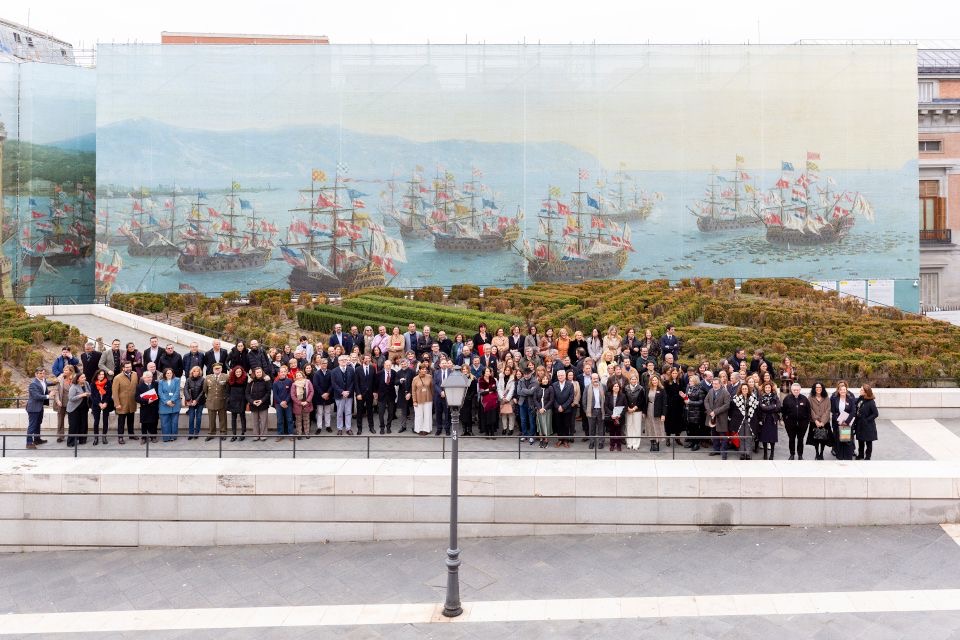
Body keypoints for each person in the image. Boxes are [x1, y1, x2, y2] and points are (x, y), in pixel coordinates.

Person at [781, 382, 811, 460]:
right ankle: (792, 454)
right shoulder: (787, 399)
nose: (796, 391)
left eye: (797, 390)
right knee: (791, 439)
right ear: (791, 390)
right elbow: (783, 411)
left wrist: (806, 422)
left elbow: (808, 411)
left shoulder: (804, 399)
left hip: (802, 423)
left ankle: (800, 455)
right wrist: (785, 421)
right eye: (794, 390)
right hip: (790, 423)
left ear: (800, 390)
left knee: (800, 440)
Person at [703, 377, 731, 459]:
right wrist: (709, 411)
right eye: (713, 384)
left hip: (721, 417)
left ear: (720, 384)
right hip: (711, 417)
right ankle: (716, 450)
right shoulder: (711, 391)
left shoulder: (725, 393)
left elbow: (726, 405)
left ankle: (724, 452)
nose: (714, 385)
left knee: (723, 435)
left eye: (716, 384)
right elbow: (706, 401)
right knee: (714, 434)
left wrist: (715, 412)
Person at [730, 382, 758, 460]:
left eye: (746, 388)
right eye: (743, 389)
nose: (744, 390)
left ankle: (748, 453)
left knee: (748, 437)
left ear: (748, 389)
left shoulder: (753, 397)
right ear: (740, 390)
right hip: (740, 421)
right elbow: (733, 410)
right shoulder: (736, 398)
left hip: (750, 420)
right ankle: (742, 454)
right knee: (742, 437)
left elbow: (756, 410)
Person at [112, 361, 138, 444]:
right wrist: (117, 404)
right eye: (127, 367)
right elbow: (115, 392)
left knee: (131, 420)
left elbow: (136, 387)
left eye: (130, 366)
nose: (129, 368)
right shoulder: (117, 378)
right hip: (122, 404)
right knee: (121, 422)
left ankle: (131, 434)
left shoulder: (135, 374)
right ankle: (120, 437)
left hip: (132, 402)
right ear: (123, 368)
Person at [831, 380, 858, 460]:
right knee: (839, 439)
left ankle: (847, 456)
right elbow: (833, 411)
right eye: (841, 389)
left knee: (846, 440)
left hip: (847, 423)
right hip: (838, 422)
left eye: (844, 390)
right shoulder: (835, 398)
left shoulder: (850, 398)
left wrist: (846, 422)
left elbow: (853, 411)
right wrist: (838, 421)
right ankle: (840, 455)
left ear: (846, 390)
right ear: (838, 390)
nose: (843, 391)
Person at [202, 363, 229, 441]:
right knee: (211, 419)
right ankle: (211, 433)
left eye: (219, 368)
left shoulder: (226, 377)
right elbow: (205, 390)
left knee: (223, 418)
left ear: (221, 369)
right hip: (211, 401)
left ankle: (223, 432)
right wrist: (210, 397)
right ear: (213, 369)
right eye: (215, 369)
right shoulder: (208, 377)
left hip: (222, 401)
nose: (217, 370)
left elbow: (228, 389)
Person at [806, 382, 832, 460]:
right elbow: (809, 409)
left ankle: (821, 453)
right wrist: (816, 420)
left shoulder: (826, 397)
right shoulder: (810, 397)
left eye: (820, 387)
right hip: (814, 422)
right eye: (817, 387)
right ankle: (817, 453)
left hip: (825, 422)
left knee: (824, 439)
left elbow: (828, 409)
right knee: (816, 439)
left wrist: (823, 422)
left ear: (822, 388)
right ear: (814, 388)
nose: (818, 389)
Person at [25, 368, 50, 450]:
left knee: (38, 424)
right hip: (33, 408)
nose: (42, 375)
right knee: (32, 426)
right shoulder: (33, 384)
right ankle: (29, 443)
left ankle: (37, 439)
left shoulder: (43, 381)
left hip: (40, 407)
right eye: (40, 373)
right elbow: (36, 396)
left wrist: (59, 380)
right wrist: (48, 396)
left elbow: (47, 384)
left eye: (43, 373)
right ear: (36, 374)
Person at [331, 355, 356, 435]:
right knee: (339, 413)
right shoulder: (334, 371)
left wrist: (348, 391)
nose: (344, 361)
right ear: (338, 361)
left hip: (349, 395)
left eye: (345, 360)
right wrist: (342, 392)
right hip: (339, 395)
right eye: (342, 360)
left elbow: (353, 382)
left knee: (348, 412)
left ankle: (348, 428)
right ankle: (340, 428)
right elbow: (334, 384)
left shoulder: (351, 370)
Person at [246, 367, 272, 442]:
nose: (259, 373)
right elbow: (247, 393)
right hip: (253, 404)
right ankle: (256, 435)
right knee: (255, 421)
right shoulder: (250, 381)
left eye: (260, 372)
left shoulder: (266, 380)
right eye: (257, 372)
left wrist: (262, 400)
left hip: (263, 404)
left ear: (262, 372)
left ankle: (263, 435)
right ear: (255, 373)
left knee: (264, 421)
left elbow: (268, 392)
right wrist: (252, 401)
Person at [66, 373, 92, 447]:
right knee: (74, 425)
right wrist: (81, 395)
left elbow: (90, 392)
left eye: (84, 377)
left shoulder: (86, 383)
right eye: (82, 377)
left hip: (84, 408)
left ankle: (82, 440)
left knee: (83, 424)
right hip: (74, 409)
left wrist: (88, 394)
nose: (84, 378)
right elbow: (71, 398)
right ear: (78, 379)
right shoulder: (73, 387)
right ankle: (71, 442)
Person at [89, 369, 113, 446]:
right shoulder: (93, 383)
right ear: (97, 375)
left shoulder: (108, 382)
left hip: (106, 404)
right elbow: (92, 396)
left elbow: (109, 394)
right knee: (96, 421)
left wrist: (105, 403)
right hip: (96, 404)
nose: (101, 376)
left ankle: (104, 436)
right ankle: (96, 438)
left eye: (103, 374)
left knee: (105, 421)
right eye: (100, 374)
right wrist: (99, 403)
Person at [854, 384, 878, 460]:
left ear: (866, 392)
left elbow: (875, 414)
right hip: (859, 424)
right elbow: (855, 404)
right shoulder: (860, 398)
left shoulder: (871, 402)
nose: (860, 391)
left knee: (868, 442)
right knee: (860, 441)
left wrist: (867, 420)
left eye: (861, 390)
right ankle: (860, 455)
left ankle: (868, 456)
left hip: (868, 426)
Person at [757, 381, 781, 460]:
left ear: (771, 388)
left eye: (769, 388)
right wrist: (772, 407)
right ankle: (765, 453)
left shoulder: (775, 396)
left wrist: (767, 408)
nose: (767, 389)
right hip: (764, 419)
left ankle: (772, 453)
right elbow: (761, 407)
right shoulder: (761, 396)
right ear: (764, 388)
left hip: (772, 419)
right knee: (764, 437)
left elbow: (778, 407)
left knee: (772, 437)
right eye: (766, 387)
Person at [157, 368, 181, 442]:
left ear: (172, 373)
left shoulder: (177, 380)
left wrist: (172, 400)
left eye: (170, 373)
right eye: (167, 373)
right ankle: (166, 437)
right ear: (164, 374)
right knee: (164, 422)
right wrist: (167, 401)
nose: (169, 374)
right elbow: (160, 393)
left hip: (175, 404)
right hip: (164, 404)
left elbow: (177, 391)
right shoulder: (161, 382)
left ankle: (173, 437)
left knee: (174, 422)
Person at [515, 364, 538, 445]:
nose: (526, 375)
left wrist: (523, 390)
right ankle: (524, 434)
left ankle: (531, 436)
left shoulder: (535, 381)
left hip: (531, 404)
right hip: (522, 403)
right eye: (525, 374)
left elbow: (532, 392)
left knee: (531, 421)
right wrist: (528, 391)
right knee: (523, 420)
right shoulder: (520, 381)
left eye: (528, 374)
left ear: (531, 373)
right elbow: (518, 392)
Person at [663, 367, 685, 447]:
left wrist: (682, 396)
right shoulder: (666, 382)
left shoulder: (681, 381)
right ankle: (668, 438)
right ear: (670, 374)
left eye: (676, 373)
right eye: (673, 373)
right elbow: (666, 394)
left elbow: (683, 391)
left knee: (678, 421)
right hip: (670, 405)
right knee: (669, 422)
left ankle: (677, 438)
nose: (674, 375)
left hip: (679, 405)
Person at [136, 371, 160, 443]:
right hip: (145, 407)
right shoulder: (139, 386)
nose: (150, 378)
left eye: (151, 377)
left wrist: (155, 398)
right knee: (144, 423)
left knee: (153, 422)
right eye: (148, 377)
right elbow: (137, 398)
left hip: (154, 407)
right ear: (144, 378)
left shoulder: (156, 384)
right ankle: (144, 437)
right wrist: (146, 401)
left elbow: (159, 394)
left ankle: (153, 436)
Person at [552, 369, 574, 447]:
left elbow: (571, 397)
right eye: (559, 376)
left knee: (566, 425)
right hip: (557, 409)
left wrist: (563, 407)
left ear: (565, 376)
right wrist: (558, 406)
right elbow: (553, 398)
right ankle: (560, 439)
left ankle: (565, 440)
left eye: (562, 375)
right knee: (558, 425)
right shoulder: (554, 385)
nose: (560, 377)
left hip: (567, 409)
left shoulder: (570, 384)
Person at [683, 373, 705, 451]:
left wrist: (690, 402)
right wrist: (684, 397)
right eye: (689, 380)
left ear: (695, 382)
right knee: (690, 428)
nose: (689, 382)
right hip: (688, 411)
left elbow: (701, 402)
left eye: (691, 381)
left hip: (696, 413)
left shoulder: (700, 390)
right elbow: (687, 398)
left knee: (695, 429)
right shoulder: (689, 388)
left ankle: (696, 444)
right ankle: (692, 442)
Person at [51, 368, 73, 444]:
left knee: (72, 420)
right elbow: (56, 391)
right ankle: (60, 436)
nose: (64, 372)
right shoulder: (60, 379)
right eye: (64, 370)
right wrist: (57, 401)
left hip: (71, 403)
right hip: (61, 402)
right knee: (60, 419)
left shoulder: (74, 379)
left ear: (71, 371)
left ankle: (72, 435)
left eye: (66, 370)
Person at [183, 365, 206, 440]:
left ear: (199, 372)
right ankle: (190, 433)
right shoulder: (188, 379)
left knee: (198, 417)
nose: (195, 372)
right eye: (194, 371)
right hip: (191, 401)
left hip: (200, 401)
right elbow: (185, 389)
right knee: (191, 417)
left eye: (197, 371)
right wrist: (189, 399)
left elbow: (203, 391)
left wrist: (196, 400)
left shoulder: (203, 379)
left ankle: (196, 433)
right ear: (192, 372)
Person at [584, 373, 606, 450]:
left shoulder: (603, 386)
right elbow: (584, 400)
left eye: (597, 378)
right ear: (591, 379)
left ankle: (601, 442)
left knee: (601, 428)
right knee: (591, 428)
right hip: (591, 411)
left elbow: (606, 399)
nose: (595, 380)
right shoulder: (587, 388)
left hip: (601, 410)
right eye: (594, 378)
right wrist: (586, 410)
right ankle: (592, 442)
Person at [226, 365, 248, 442]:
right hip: (233, 400)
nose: (238, 373)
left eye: (239, 372)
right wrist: (228, 399)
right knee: (233, 418)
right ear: (234, 372)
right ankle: (234, 434)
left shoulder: (245, 378)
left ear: (242, 372)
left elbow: (246, 391)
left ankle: (243, 433)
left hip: (242, 400)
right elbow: (227, 391)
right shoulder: (231, 379)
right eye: (236, 372)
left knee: (242, 417)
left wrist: (245, 400)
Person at [623, 373, 645, 450]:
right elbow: (624, 399)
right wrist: (628, 408)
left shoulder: (641, 388)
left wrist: (635, 408)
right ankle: (629, 443)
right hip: (628, 410)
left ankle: (636, 444)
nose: (633, 380)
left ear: (637, 380)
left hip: (637, 411)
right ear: (630, 380)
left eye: (635, 379)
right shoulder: (626, 388)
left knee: (637, 427)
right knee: (629, 426)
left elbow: (642, 400)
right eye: (632, 379)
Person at [411, 363, 434, 436]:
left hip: (428, 399)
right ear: (419, 370)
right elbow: (413, 391)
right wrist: (414, 401)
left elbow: (432, 388)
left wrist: (432, 396)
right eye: (423, 369)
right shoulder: (415, 379)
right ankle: (418, 429)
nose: (424, 370)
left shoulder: (430, 377)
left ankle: (426, 429)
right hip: (418, 399)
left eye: (425, 369)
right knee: (419, 415)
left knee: (427, 415)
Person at [272, 365, 294, 440]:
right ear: (278, 373)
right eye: (281, 372)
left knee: (289, 419)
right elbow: (275, 394)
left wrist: (286, 401)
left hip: (288, 404)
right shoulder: (275, 383)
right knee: (280, 420)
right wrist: (281, 402)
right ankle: (280, 434)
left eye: (284, 372)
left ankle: (291, 434)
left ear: (286, 372)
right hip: (279, 404)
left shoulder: (290, 381)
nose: (283, 373)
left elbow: (290, 393)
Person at [312, 358, 334, 434]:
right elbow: (316, 385)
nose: (324, 365)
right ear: (320, 364)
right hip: (319, 396)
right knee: (319, 412)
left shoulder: (331, 373)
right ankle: (319, 427)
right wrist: (322, 394)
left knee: (328, 411)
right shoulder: (316, 373)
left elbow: (332, 384)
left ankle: (328, 426)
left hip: (328, 395)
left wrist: (327, 393)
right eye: (323, 363)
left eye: (325, 363)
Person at [291, 369, 314, 439]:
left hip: (306, 404)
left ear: (302, 375)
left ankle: (307, 433)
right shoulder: (294, 384)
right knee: (298, 421)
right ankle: (299, 434)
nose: (298, 376)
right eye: (297, 376)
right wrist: (299, 402)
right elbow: (292, 395)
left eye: (300, 375)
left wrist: (307, 401)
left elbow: (311, 391)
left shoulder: (308, 382)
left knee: (306, 420)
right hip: (297, 405)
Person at [605, 381, 627, 452]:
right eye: (614, 386)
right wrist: (612, 414)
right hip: (611, 417)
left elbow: (625, 407)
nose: (616, 387)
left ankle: (618, 445)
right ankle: (612, 445)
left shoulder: (623, 395)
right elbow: (605, 406)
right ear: (612, 387)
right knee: (612, 431)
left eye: (617, 386)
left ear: (619, 387)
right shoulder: (608, 395)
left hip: (619, 417)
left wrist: (620, 414)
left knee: (618, 431)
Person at [534, 372, 555, 449]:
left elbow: (551, 400)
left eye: (546, 379)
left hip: (547, 410)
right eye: (544, 379)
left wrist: (544, 408)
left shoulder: (550, 388)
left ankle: (546, 440)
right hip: (539, 410)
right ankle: (541, 440)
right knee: (540, 425)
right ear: (541, 380)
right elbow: (535, 399)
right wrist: (539, 408)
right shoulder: (537, 388)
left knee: (546, 425)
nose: (545, 380)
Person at [433, 360, 453, 436]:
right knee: (438, 413)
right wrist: (440, 392)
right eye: (442, 363)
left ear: (447, 364)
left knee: (447, 413)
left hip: (447, 396)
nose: (444, 364)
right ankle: (439, 429)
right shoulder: (436, 372)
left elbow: (452, 383)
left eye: (445, 363)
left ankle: (447, 429)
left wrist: (445, 392)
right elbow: (434, 384)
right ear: (440, 365)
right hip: (438, 396)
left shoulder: (451, 372)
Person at [477, 367, 499, 438]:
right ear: (484, 372)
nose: (487, 373)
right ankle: (487, 432)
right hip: (484, 402)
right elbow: (481, 392)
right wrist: (489, 390)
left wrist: (487, 390)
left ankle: (492, 432)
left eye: (489, 371)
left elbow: (495, 388)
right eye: (486, 371)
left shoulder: (493, 379)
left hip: (492, 401)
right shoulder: (480, 379)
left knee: (492, 417)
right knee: (485, 417)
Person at [376, 361, 396, 434]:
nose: (388, 366)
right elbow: (376, 384)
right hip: (382, 396)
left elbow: (395, 382)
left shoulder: (394, 373)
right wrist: (375, 393)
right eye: (387, 365)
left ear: (391, 366)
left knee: (391, 413)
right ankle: (382, 427)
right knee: (381, 413)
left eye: (389, 365)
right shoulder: (379, 373)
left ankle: (388, 427)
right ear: (384, 365)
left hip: (391, 396)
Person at [497, 367, 516, 436]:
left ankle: (511, 429)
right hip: (502, 398)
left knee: (511, 414)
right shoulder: (501, 377)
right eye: (506, 370)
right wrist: (502, 397)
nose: (507, 371)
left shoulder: (513, 378)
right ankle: (504, 428)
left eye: (508, 370)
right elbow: (499, 388)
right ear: (504, 370)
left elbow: (512, 389)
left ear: (510, 371)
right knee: (503, 414)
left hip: (509, 399)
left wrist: (507, 398)